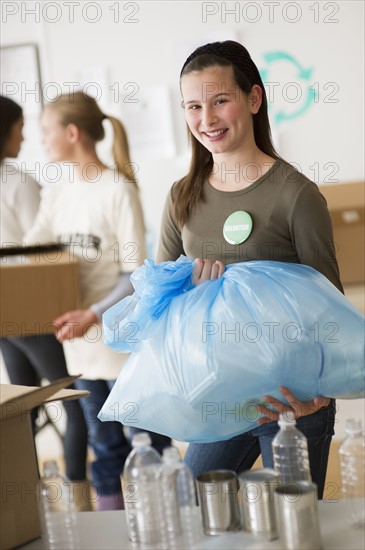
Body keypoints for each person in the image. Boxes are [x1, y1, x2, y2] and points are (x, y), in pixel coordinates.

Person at [156, 40, 343, 499]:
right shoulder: (183, 196)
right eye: (194, 106)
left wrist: (318, 392)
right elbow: (157, 301)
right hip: (218, 390)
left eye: (221, 100)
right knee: (193, 504)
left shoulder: (296, 194)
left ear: (254, 99)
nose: (207, 119)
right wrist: (193, 298)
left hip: (291, 398)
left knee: (292, 523)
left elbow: (329, 304)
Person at [24, 91, 171, 511]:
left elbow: (132, 277)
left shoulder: (117, 190)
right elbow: (33, 253)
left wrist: (93, 312)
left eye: (47, 131)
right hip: (80, 348)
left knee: (148, 440)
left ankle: (167, 523)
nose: (43, 140)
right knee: (103, 447)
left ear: (72, 133)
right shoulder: (57, 192)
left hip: (123, 344)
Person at [0, 95, 89, 509]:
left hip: (3, 316)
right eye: (20, 128)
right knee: (70, 402)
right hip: (33, 311)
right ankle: (78, 496)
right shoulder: (18, 182)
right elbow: (45, 248)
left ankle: (27, 503)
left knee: (22, 412)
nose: (24, 137)